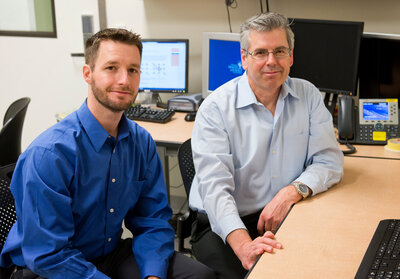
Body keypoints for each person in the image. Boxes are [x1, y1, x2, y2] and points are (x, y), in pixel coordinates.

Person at [0, 28, 215, 279]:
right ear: (87, 74)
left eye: (133, 69)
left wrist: (153, 275)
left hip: (108, 255)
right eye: (111, 67)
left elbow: (152, 220)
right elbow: (48, 254)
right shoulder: (50, 154)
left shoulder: (141, 142)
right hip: (48, 268)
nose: (124, 80)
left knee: (200, 276)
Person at [189, 12, 344, 279]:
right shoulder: (215, 109)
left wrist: (290, 193)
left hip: (286, 214)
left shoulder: (308, 96)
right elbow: (216, 191)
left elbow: (328, 161)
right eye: (260, 52)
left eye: (280, 51)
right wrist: (245, 246)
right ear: (244, 58)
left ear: (291, 56)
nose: (271, 61)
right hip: (224, 224)